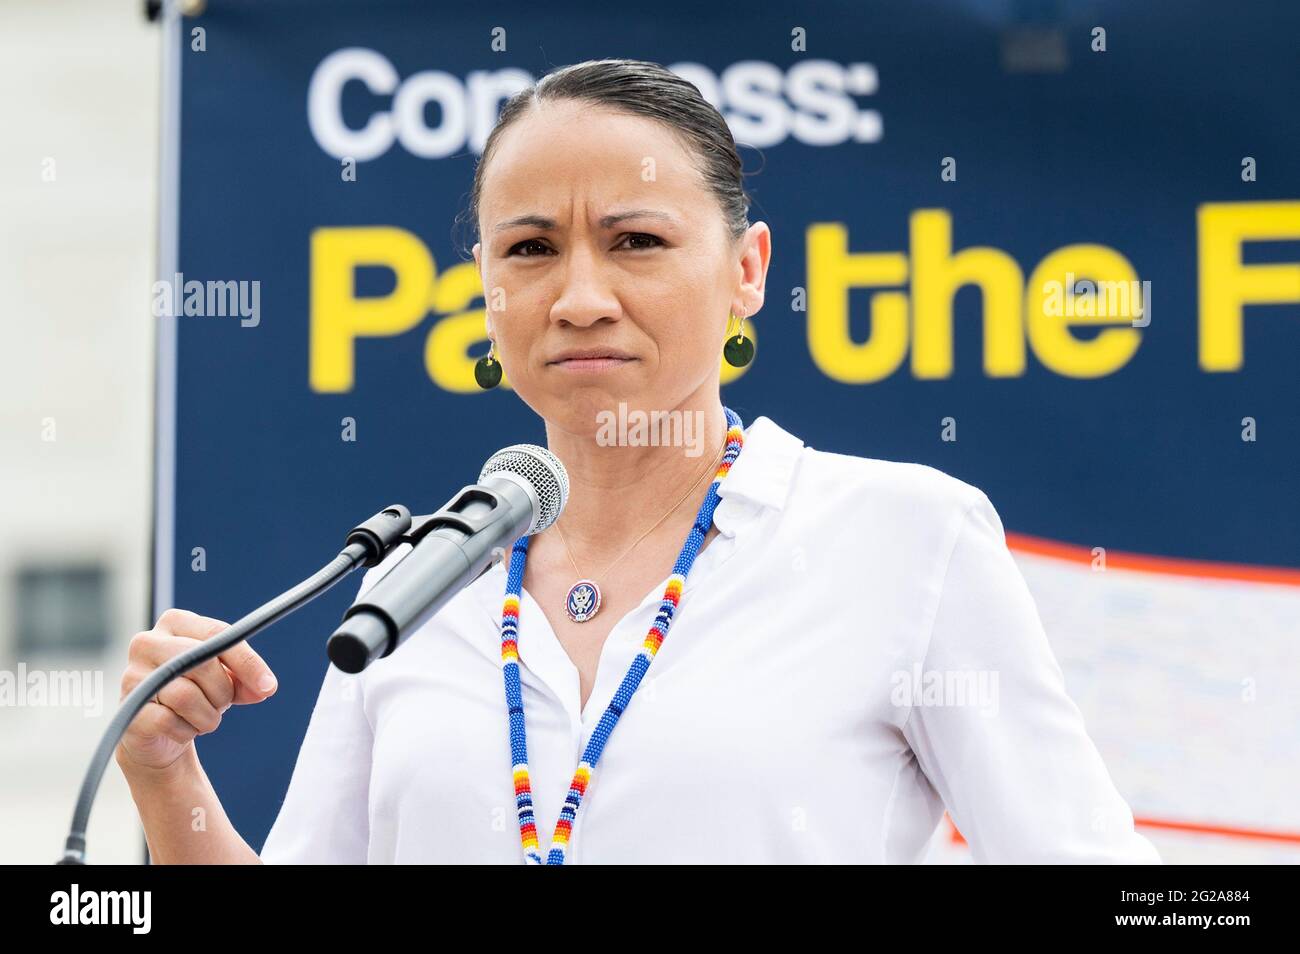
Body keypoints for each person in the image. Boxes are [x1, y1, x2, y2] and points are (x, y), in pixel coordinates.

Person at [116, 58, 1160, 864]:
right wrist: (169, 779)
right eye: (528, 250)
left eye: (636, 242)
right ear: (485, 290)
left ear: (746, 271)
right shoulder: (413, 587)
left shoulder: (903, 537)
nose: (578, 297)